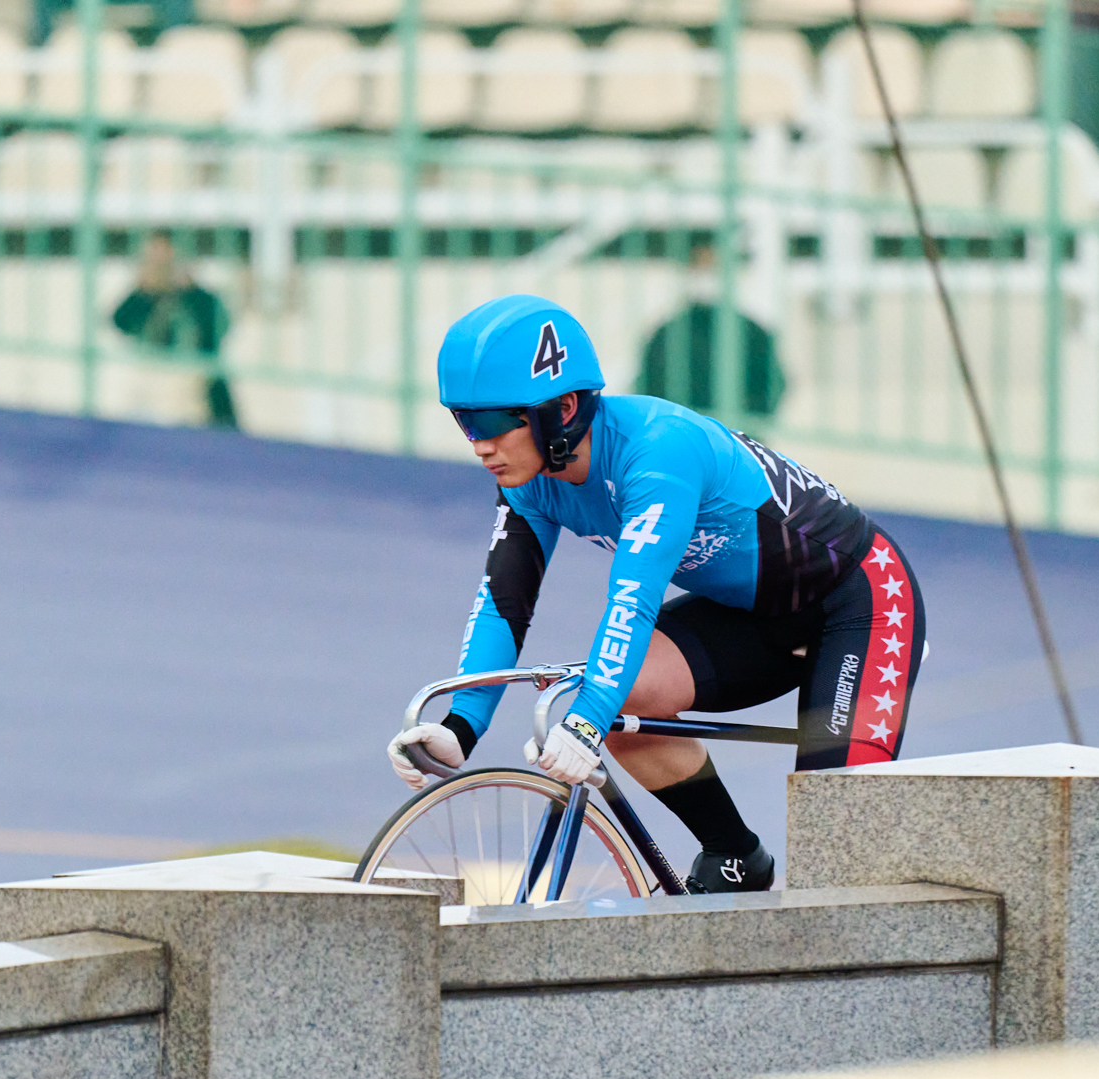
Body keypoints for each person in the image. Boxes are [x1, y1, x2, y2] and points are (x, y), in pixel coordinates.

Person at [385, 295, 928, 894]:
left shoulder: (657, 451)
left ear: (562, 409)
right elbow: (503, 604)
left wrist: (584, 724)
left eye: (490, 423)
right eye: (463, 422)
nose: (478, 444)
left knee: (836, 866)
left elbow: (631, 600)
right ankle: (734, 855)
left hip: (859, 603)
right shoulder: (533, 481)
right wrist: (461, 726)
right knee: (618, 705)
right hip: (753, 613)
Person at [635, 244, 786, 420]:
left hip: (730, 437)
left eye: (712, 267)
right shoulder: (667, 334)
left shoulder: (754, 334)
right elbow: (647, 388)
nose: (706, 274)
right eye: (699, 266)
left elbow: (773, 386)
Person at [111, 232, 239, 429]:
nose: (163, 268)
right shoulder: (145, 300)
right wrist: (145, 289)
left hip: (198, 404)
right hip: (155, 401)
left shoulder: (200, 300)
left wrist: (189, 288)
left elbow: (216, 330)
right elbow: (119, 321)